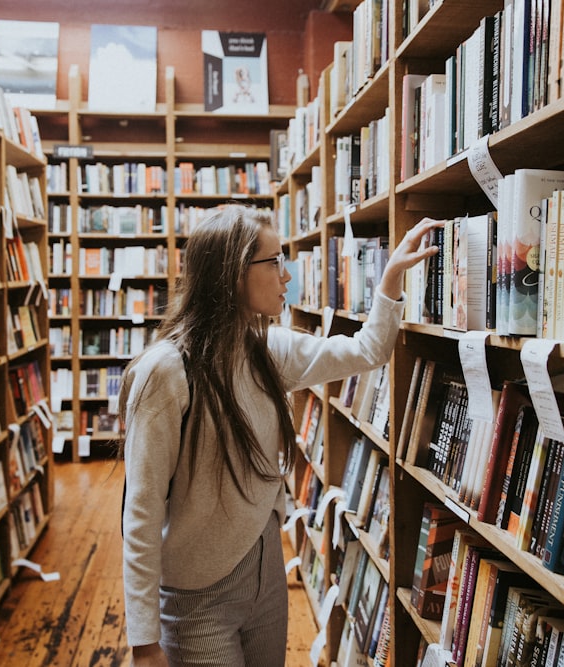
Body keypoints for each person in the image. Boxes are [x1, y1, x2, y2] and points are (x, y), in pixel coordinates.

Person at [121, 205, 439, 666]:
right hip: (197, 597)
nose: (286, 275)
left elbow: (367, 350)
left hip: (266, 572)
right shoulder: (166, 372)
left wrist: (389, 282)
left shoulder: (269, 350)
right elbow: (142, 510)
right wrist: (144, 641)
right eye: (274, 262)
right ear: (233, 275)